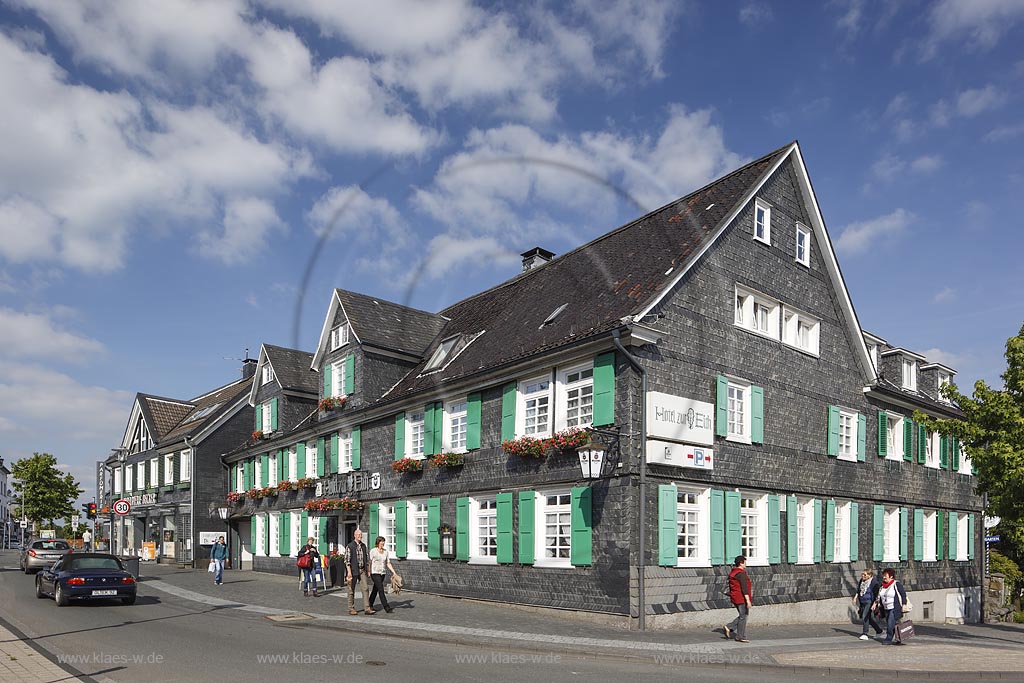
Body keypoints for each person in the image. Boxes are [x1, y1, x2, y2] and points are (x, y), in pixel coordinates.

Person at [872, 567, 908, 644]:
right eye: (883, 575)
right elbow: (879, 596)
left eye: (885, 575)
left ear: (891, 576)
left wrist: (904, 604)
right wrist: (875, 604)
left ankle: (888, 638)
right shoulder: (882, 586)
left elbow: (903, 594)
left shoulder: (896, 584)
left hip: (894, 607)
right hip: (885, 608)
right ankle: (899, 638)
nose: (884, 577)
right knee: (893, 623)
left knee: (890, 623)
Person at [723, 555, 752, 643]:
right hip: (741, 598)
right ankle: (740, 635)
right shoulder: (741, 573)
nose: (746, 564)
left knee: (743, 616)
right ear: (741, 563)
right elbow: (744, 588)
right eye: (745, 562)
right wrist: (748, 600)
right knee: (743, 616)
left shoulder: (733, 572)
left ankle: (731, 628)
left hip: (735, 597)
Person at [345, 528, 372, 615]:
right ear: (355, 535)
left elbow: (367, 559)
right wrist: (349, 572)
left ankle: (367, 608)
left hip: (362, 570)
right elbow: (347, 561)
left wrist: (368, 570)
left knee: (365, 588)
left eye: (361, 535)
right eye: (358, 535)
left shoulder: (363, 546)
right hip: (353, 570)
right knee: (351, 589)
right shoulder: (350, 546)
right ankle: (351, 608)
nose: (360, 536)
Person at [368, 536, 395, 614]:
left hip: (382, 573)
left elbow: (388, 563)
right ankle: (386, 607)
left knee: (375, 589)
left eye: (383, 541)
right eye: (381, 541)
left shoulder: (386, 552)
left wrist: (394, 572)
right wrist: (369, 571)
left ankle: (369, 604)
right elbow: (369, 562)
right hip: (374, 572)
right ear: (378, 542)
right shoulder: (373, 551)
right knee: (381, 589)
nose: (383, 543)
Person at [853, 568, 883, 640]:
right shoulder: (862, 581)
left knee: (865, 616)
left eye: (865, 574)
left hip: (869, 601)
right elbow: (858, 590)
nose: (863, 576)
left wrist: (874, 604)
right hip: (862, 601)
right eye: (862, 574)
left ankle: (865, 633)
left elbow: (877, 594)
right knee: (868, 618)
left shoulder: (874, 583)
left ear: (870, 575)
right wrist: (855, 597)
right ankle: (879, 630)